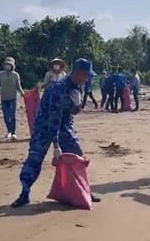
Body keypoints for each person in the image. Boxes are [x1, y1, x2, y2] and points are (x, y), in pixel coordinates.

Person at [12, 58, 101, 208]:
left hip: (65, 124)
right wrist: (56, 146)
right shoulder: (58, 88)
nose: (87, 78)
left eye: (88, 76)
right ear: (77, 73)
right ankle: (24, 193)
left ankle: (83, 190)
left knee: (77, 156)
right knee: (35, 158)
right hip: (44, 125)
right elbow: (54, 118)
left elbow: (72, 113)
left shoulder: (79, 86)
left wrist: (79, 105)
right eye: (85, 75)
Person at [0, 57, 25, 140]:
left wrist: (24, 95)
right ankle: (8, 131)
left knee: (12, 115)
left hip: (13, 98)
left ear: (12, 66)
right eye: (6, 64)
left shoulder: (16, 75)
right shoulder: (0, 74)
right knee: (6, 116)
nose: (7, 66)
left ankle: (13, 133)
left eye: (9, 65)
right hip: (4, 98)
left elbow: (18, 87)